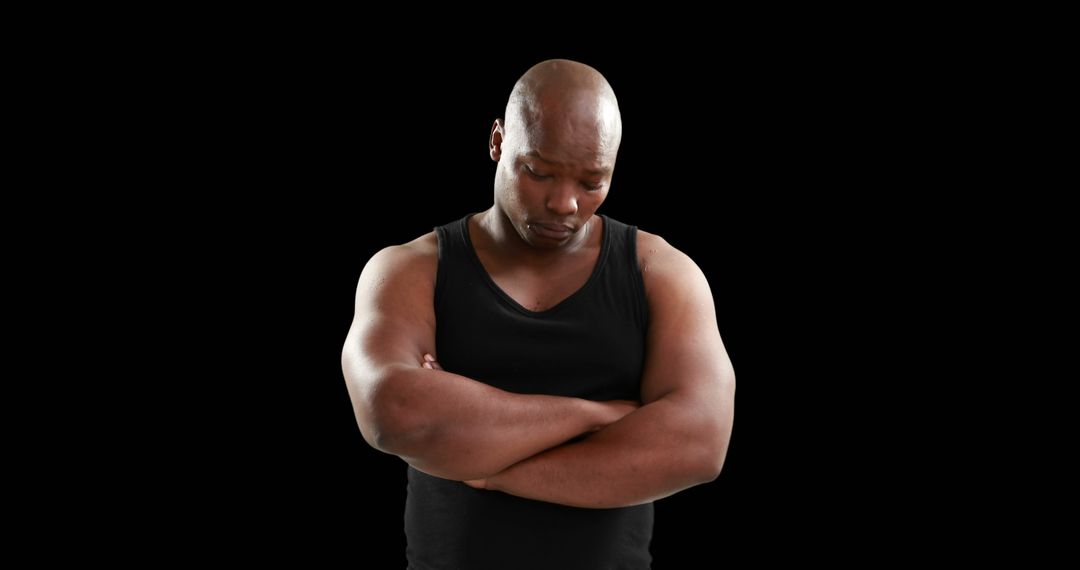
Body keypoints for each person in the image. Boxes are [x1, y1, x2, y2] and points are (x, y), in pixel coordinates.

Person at [341, 59, 735, 569]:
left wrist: (488, 468)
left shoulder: (662, 273)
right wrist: (599, 414)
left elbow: (700, 445)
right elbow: (392, 414)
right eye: (539, 172)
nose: (564, 203)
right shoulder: (409, 270)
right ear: (498, 142)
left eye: (592, 181)